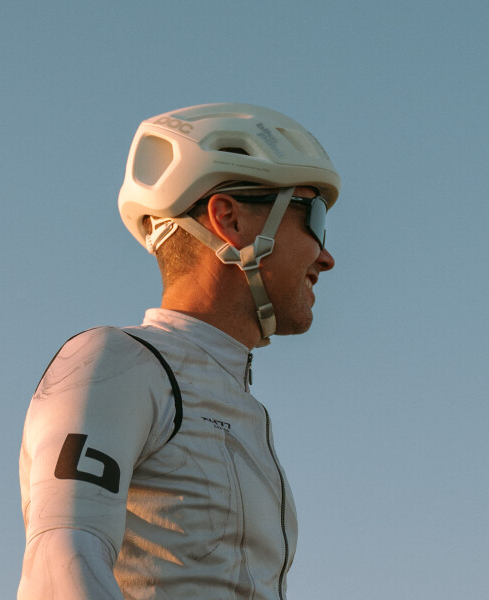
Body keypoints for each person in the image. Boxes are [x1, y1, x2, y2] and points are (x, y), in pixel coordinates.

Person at [17, 102, 340, 599]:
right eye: (313, 216)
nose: (326, 255)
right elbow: (60, 568)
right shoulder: (115, 361)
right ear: (229, 220)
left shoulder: (241, 404)